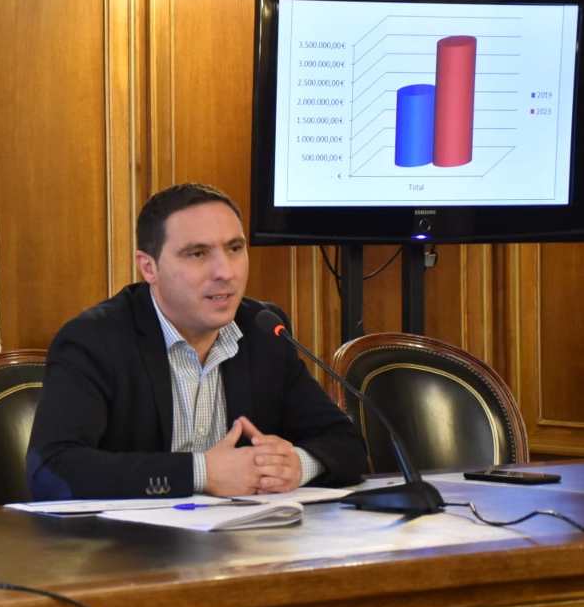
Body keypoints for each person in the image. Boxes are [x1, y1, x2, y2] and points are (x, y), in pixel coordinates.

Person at [26, 182, 367, 500]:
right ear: (149, 268)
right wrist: (201, 472)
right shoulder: (95, 339)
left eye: (235, 248)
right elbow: (52, 469)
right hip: (126, 553)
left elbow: (346, 444)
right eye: (198, 254)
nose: (225, 272)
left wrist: (296, 464)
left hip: (244, 552)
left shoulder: (262, 331)